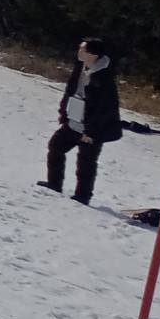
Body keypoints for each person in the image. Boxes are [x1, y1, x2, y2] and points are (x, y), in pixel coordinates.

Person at [42, 37, 121, 203]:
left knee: (86, 162)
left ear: (93, 54)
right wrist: (64, 113)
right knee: (55, 146)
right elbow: (70, 91)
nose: (79, 52)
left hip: (93, 129)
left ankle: (83, 196)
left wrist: (91, 132)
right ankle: (54, 184)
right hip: (73, 121)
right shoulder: (80, 67)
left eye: (82, 50)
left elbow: (105, 109)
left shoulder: (105, 77)